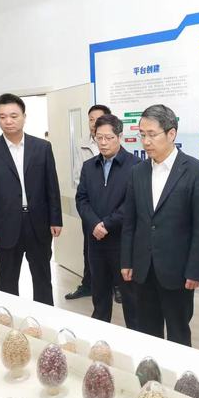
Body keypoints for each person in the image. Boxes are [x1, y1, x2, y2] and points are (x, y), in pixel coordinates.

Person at [120, 104, 199, 346]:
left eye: (152, 134)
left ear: (171, 133)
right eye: (142, 135)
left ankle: (180, 372)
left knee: (178, 333)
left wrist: (195, 270)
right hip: (143, 268)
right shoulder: (137, 172)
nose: (146, 141)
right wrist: (127, 261)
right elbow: (130, 221)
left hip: (177, 271)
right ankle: (151, 370)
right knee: (147, 331)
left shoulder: (196, 171)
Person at [0, 93, 62, 305]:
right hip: (5, 226)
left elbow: (52, 186)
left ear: (24, 116)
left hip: (38, 224)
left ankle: (45, 318)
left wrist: (56, 219)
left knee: (43, 278)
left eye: (13, 116)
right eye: (2, 116)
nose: (8, 121)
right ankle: (8, 319)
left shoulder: (42, 147)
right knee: (7, 281)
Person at [76, 114, 139, 328]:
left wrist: (107, 224)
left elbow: (132, 204)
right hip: (96, 242)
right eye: (99, 137)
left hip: (123, 244)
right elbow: (81, 199)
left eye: (109, 138)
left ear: (120, 136)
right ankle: (100, 338)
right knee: (100, 297)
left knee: (131, 300)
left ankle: (134, 339)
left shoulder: (136, 166)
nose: (103, 143)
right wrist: (94, 223)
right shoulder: (89, 166)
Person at [66, 104, 113, 301]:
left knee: (116, 250)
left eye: (98, 119)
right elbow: (78, 177)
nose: (94, 123)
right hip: (90, 211)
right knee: (89, 249)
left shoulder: (115, 143)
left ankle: (117, 286)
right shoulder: (82, 144)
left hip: (112, 210)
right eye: (91, 119)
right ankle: (88, 285)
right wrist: (91, 215)